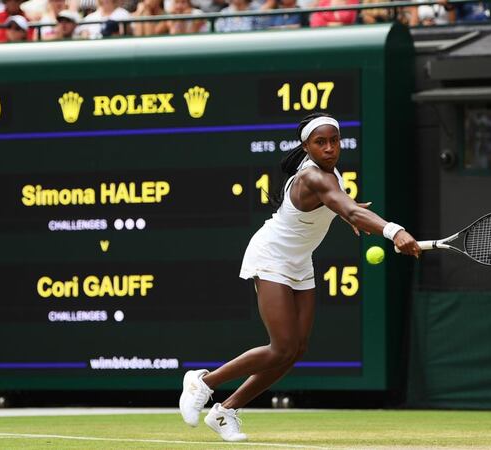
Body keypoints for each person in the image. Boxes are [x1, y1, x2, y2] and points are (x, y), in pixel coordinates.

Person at [177, 113, 421, 442]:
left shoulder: (332, 176)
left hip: (300, 262)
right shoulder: (312, 177)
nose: (330, 147)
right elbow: (348, 209)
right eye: (321, 142)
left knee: (297, 349)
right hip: (271, 256)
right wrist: (394, 231)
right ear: (306, 146)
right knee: (281, 347)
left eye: (334, 140)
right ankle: (203, 382)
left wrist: (351, 214)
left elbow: (345, 208)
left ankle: (225, 411)